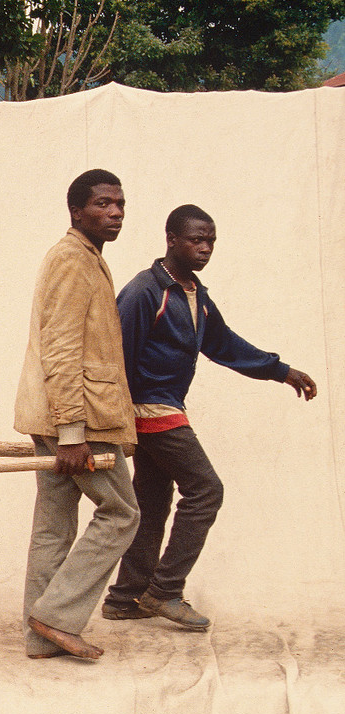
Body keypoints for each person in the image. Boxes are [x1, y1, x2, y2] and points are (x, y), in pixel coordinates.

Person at [100, 205, 317, 630]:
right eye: (196, 240)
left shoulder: (195, 293)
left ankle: (126, 598)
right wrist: (117, 421)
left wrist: (281, 370)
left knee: (152, 501)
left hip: (165, 408)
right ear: (171, 240)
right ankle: (164, 592)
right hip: (149, 410)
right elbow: (115, 357)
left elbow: (224, 344)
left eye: (211, 241)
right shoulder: (146, 291)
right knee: (206, 490)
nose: (205, 248)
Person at [14, 170, 140, 660]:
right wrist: (72, 431)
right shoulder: (72, 260)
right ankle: (56, 616)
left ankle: (38, 637)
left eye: (121, 205)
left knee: (54, 524)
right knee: (122, 515)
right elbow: (62, 348)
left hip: (58, 416)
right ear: (76, 212)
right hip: (78, 420)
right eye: (104, 204)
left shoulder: (85, 258)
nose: (115, 213)